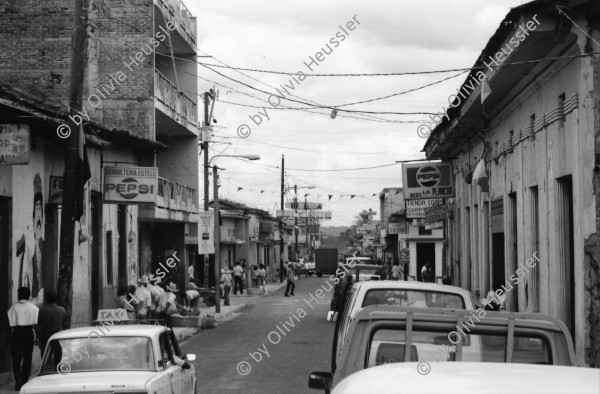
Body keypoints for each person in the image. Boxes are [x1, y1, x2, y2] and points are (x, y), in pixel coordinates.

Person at [7, 287, 39, 391]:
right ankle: (24, 380)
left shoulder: (13, 307)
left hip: (16, 333)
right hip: (28, 333)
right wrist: (37, 337)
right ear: (29, 295)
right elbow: (36, 324)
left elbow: (9, 324)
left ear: (19, 295)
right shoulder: (34, 308)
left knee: (16, 358)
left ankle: (18, 379)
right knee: (27, 357)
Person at [37, 289, 66, 355]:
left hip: (46, 338)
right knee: (58, 359)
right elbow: (64, 325)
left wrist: (39, 339)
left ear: (46, 299)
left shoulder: (42, 310)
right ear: (56, 299)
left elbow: (41, 327)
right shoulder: (62, 310)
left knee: (46, 358)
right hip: (58, 336)